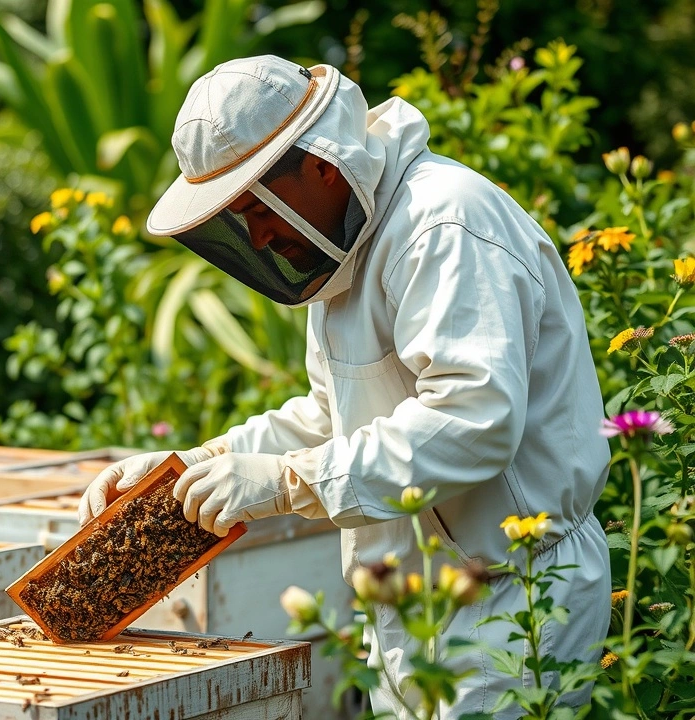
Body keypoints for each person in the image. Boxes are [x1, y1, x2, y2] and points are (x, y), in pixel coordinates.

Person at [76, 54, 611, 718]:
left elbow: (474, 419)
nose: (258, 235)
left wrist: (286, 483)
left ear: (324, 164)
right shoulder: (341, 256)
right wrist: (195, 466)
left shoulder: (442, 226)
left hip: (514, 595)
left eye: (255, 207)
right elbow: (335, 417)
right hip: (411, 603)